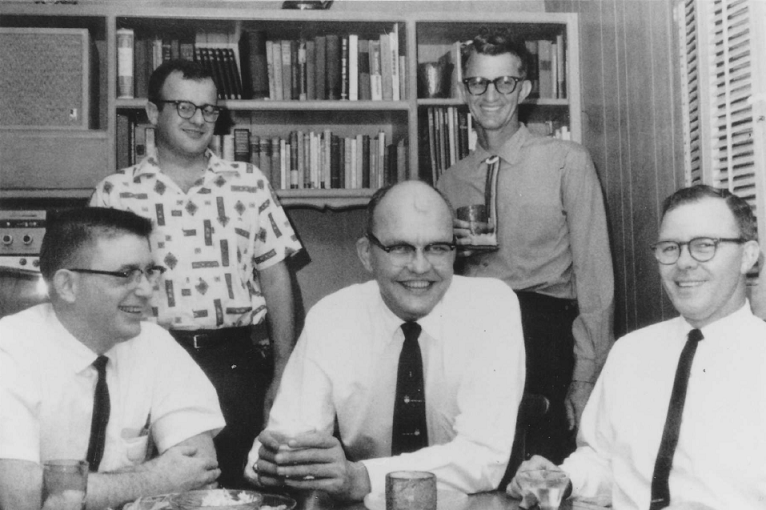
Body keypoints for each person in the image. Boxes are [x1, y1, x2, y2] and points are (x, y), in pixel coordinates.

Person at [90, 59, 304, 488]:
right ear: (153, 113)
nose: (199, 119)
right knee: (150, 490)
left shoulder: (249, 182)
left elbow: (277, 279)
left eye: (209, 109)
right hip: (144, 363)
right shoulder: (116, 191)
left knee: (238, 491)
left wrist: (284, 371)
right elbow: (97, 290)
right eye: (184, 107)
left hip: (235, 366)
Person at [242, 180, 526, 502]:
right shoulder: (332, 317)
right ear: (367, 254)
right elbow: (284, 441)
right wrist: (279, 464)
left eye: (436, 248)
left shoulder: (491, 307)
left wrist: (361, 477)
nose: (420, 267)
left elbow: (482, 458)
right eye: (400, 248)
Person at [509, 185, 766, 509]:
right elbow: (605, 463)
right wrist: (563, 478)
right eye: (670, 248)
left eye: (705, 246)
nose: (684, 263)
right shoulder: (631, 352)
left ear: (748, 256)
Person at [437, 28, 614, 463]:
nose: (490, 94)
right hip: (472, 338)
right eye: (478, 82)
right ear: (464, 91)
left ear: (525, 89)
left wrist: (585, 377)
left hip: (544, 338)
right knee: (474, 469)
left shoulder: (567, 162)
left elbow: (595, 277)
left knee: (538, 472)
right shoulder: (450, 180)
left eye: (505, 82)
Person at [0, 207, 225, 510]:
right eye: (125, 274)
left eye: (149, 272)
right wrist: (152, 479)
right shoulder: (10, 350)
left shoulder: (154, 344)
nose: (146, 290)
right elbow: (18, 497)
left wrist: (71, 490)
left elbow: (199, 468)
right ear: (68, 285)